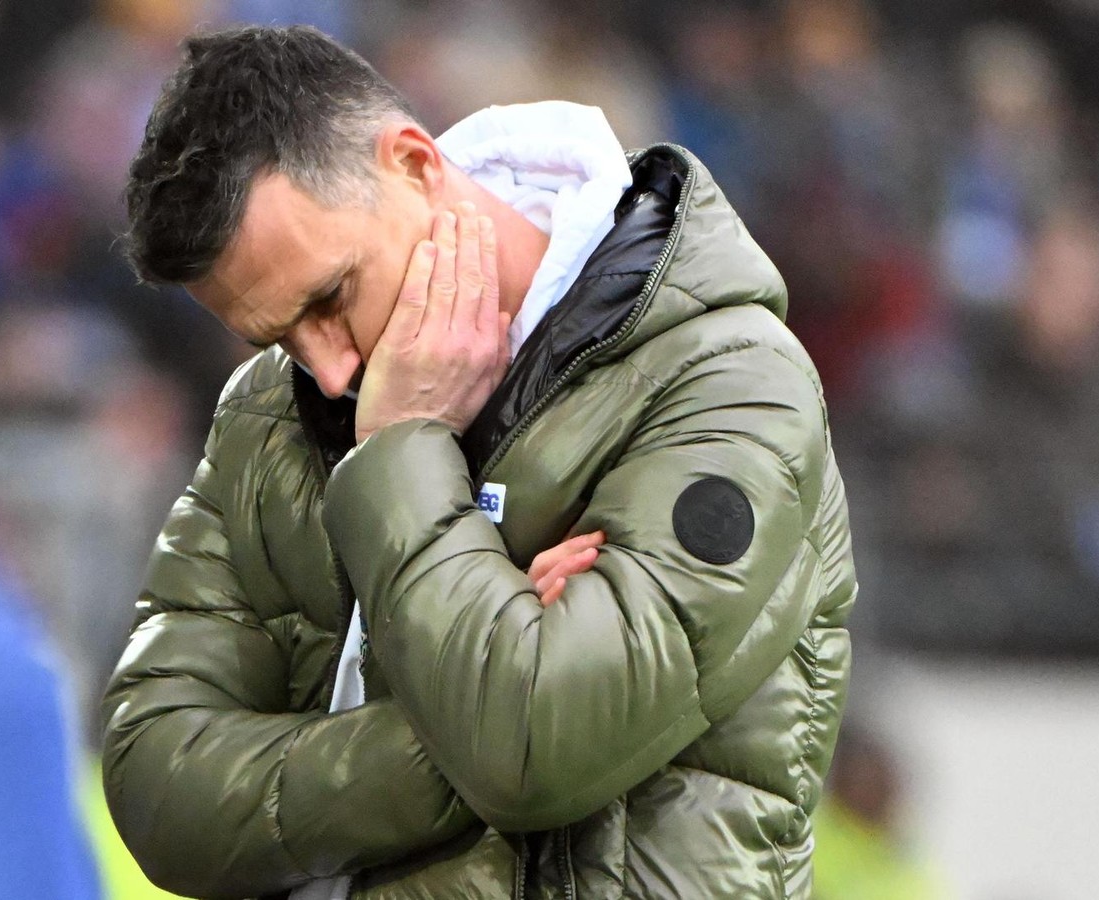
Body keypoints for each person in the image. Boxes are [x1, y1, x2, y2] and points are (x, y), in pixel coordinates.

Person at [103, 24, 856, 899]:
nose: (330, 370)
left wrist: (399, 450)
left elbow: (532, 748)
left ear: (414, 165)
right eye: (277, 337)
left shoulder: (728, 381)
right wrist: (469, 700)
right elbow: (157, 785)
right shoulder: (268, 408)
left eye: (331, 297)